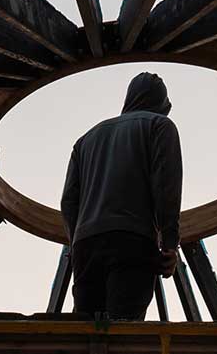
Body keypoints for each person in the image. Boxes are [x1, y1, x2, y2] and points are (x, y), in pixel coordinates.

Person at [60, 71, 182, 319]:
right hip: (132, 240)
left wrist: (75, 242)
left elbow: (68, 201)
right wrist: (169, 244)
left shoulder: (85, 140)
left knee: (84, 334)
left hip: (86, 246)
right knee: (123, 335)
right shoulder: (160, 125)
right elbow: (166, 188)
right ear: (162, 105)